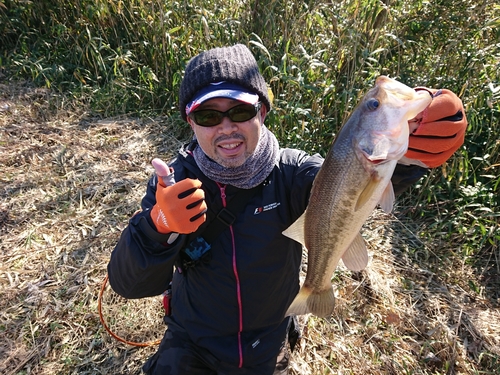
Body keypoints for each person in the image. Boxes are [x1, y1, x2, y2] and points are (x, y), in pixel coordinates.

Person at [107, 44, 467, 375]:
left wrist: (414, 155)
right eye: (208, 116)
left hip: (269, 338)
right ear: (190, 121)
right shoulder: (174, 183)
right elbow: (129, 285)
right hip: (193, 341)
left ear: (261, 111)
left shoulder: (294, 173)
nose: (227, 127)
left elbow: (347, 181)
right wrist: (157, 227)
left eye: (240, 110)